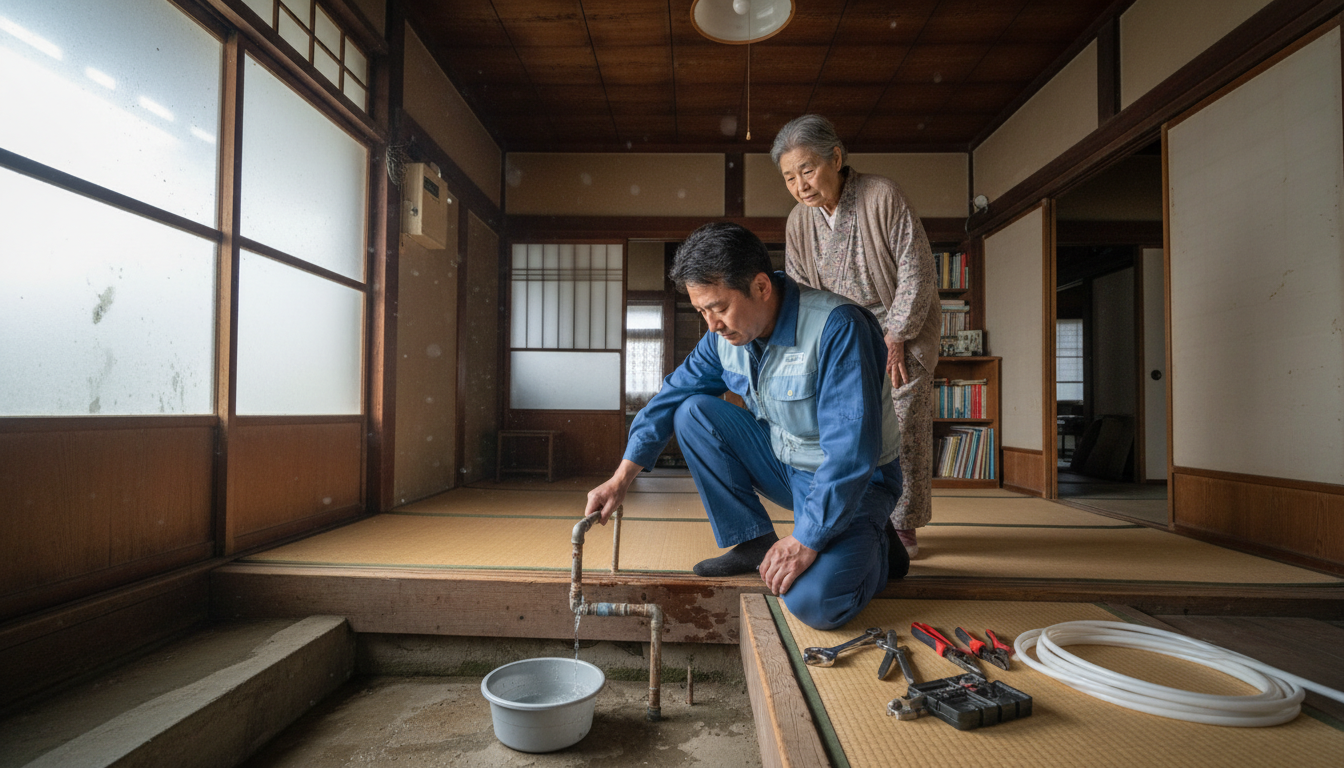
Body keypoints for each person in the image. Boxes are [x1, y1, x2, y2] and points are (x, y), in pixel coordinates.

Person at [584, 222, 909, 631]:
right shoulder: (723, 339)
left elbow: (851, 453)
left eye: (719, 307)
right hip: (786, 464)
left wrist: (806, 541)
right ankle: (755, 540)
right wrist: (621, 478)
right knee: (693, 411)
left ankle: (876, 543)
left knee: (815, 603)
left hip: (856, 480)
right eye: (702, 311)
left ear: (760, 286)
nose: (712, 324)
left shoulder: (838, 327)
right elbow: (669, 397)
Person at [772, 114, 941, 559]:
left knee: (901, 434)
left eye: (807, 170)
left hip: (896, 334)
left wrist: (898, 334)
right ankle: (858, 521)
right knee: (845, 432)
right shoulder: (798, 222)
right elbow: (801, 288)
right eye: (790, 177)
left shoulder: (882, 195)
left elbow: (917, 268)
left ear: (837, 157)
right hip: (840, 339)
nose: (800, 185)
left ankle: (902, 527)